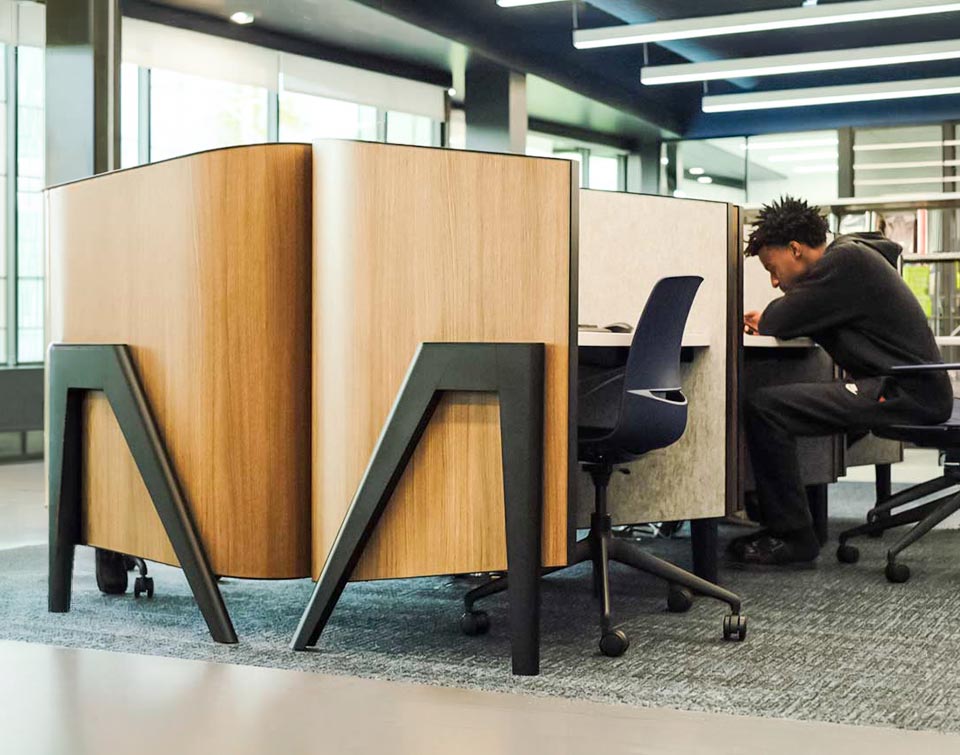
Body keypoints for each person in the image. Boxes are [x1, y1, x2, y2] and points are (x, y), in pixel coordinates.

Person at [734, 196, 953, 566]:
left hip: (905, 391)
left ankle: (794, 536)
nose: (774, 281)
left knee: (766, 407)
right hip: (902, 386)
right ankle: (777, 508)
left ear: (796, 249)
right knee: (799, 408)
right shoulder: (848, 259)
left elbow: (779, 321)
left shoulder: (844, 261)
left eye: (773, 268)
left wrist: (769, 317)